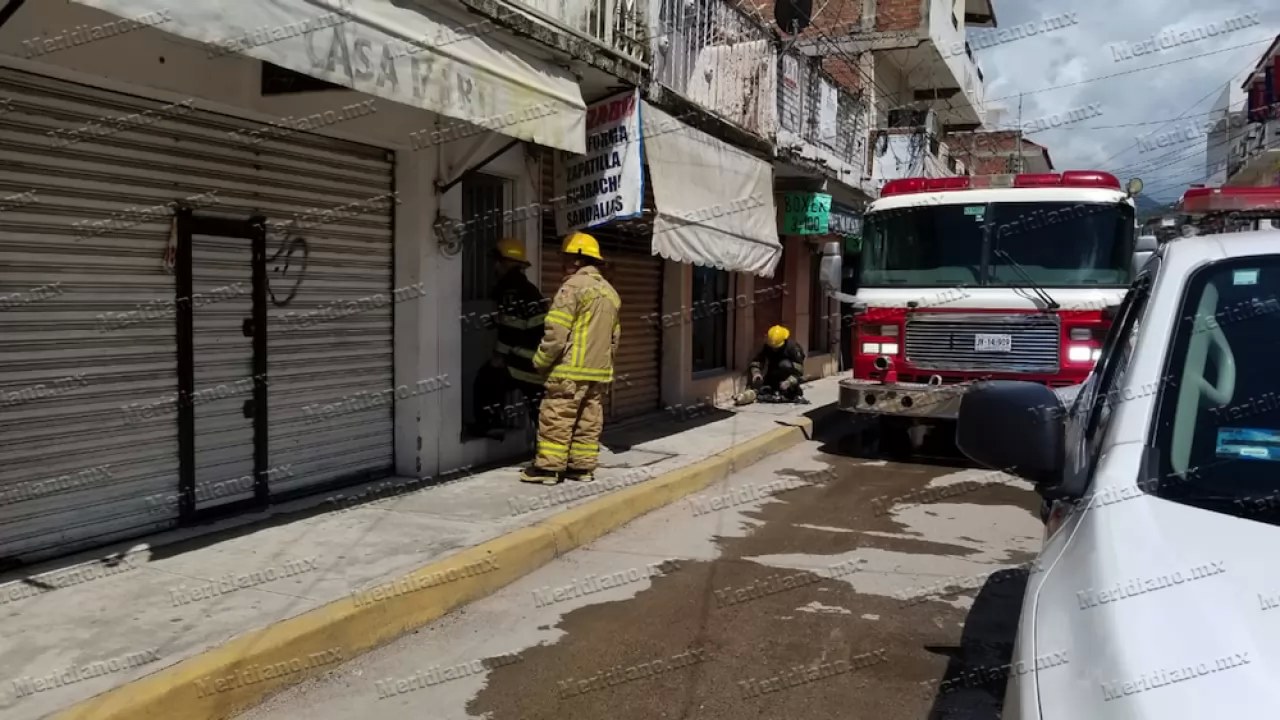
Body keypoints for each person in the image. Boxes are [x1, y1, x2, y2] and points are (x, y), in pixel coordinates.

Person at [521, 232, 621, 485]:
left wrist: (541, 361)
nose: (562, 263)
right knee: (589, 419)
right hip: (598, 371)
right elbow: (615, 337)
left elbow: (556, 332)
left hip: (570, 370)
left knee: (557, 416)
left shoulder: (573, 288)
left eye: (565, 258)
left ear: (576, 260)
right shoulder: (610, 292)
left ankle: (548, 470)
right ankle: (582, 468)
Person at [469, 237, 547, 440]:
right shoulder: (528, 289)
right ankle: (553, 451)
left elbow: (512, 328)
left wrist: (498, 354)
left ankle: (490, 425)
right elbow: (526, 322)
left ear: (505, 263)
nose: (494, 267)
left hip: (521, 361)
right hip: (539, 360)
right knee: (539, 408)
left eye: (497, 261)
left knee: (486, 379)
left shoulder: (510, 290)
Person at [736, 325, 808, 405]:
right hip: (773, 374)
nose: (774, 349)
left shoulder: (793, 348)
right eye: (772, 347)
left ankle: (788, 392)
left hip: (788, 378)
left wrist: (789, 382)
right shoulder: (768, 346)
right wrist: (756, 373)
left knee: (784, 364)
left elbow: (799, 371)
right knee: (762, 390)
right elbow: (758, 361)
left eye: (776, 347)